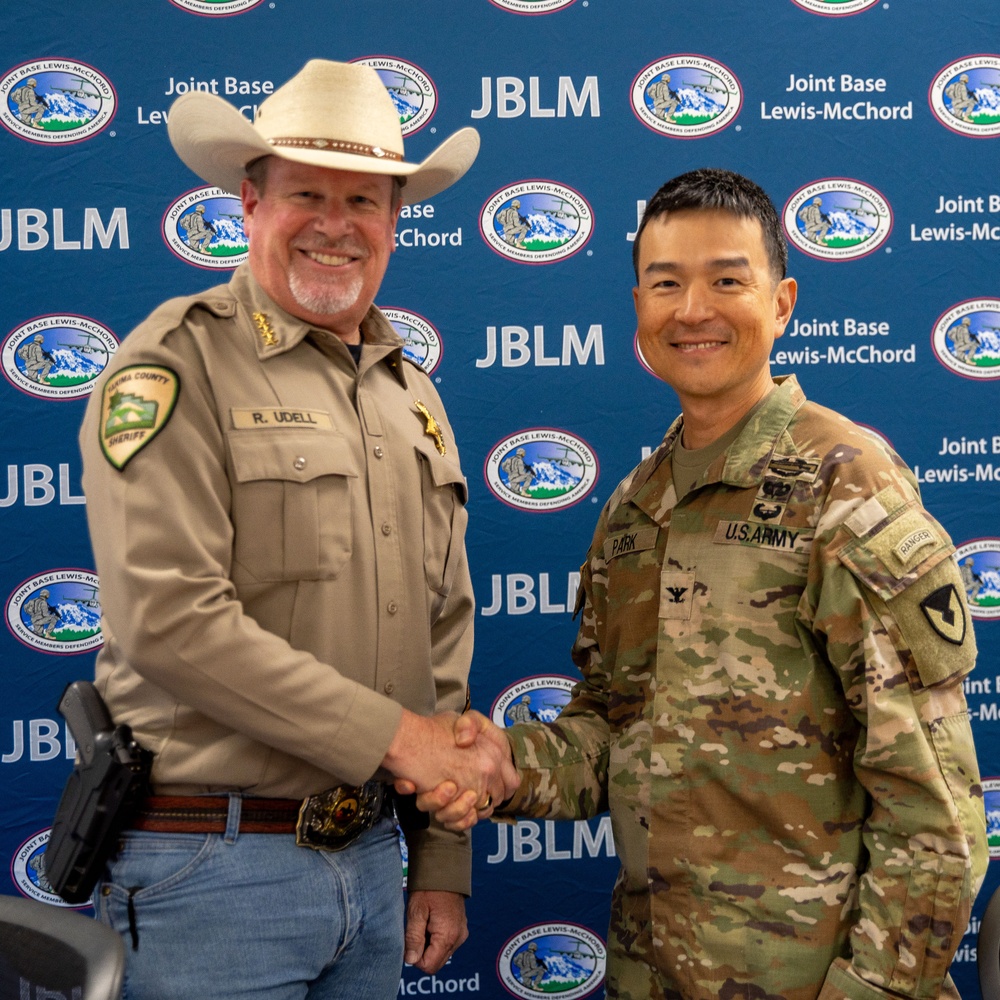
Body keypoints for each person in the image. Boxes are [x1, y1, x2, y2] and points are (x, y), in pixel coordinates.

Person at [416, 169, 988, 1000]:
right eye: (665, 283)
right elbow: (613, 737)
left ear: (783, 301)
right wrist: (502, 765)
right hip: (653, 973)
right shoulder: (635, 510)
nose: (693, 310)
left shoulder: (845, 485)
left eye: (727, 280)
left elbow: (933, 802)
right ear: (639, 309)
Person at [78, 59, 516, 1000]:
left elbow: (442, 635)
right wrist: (402, 741)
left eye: (364, 199)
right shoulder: (174, 363)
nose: (335, 224)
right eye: (306, 193)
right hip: (210, 872)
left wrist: (439, 856)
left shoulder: (414, 397)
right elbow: (169, 619)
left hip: (369, 862)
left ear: (397, 219)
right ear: (249, 201)